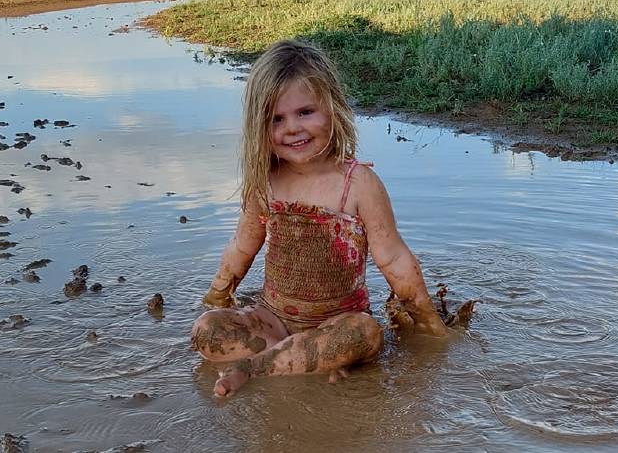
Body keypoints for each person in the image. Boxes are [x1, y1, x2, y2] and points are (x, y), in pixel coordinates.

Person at [190, 39, 449, 397]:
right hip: (273, 321)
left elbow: (393, 258)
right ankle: (300, 362)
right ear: (258, 127)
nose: (292, 128)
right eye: (275, 119)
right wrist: (217, 296)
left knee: (366, 335)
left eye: (305, 112)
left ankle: (259, 367)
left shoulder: (358, 184)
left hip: (336, 324)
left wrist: (428, 322)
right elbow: (241, 246)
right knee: (207, 330)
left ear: (333, 109)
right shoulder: (265, 184)